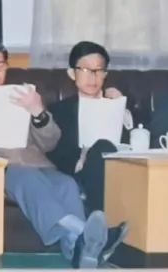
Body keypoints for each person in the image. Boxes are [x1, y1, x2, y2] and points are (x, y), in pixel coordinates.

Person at [0, 44, 126, 269]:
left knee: (67, 185)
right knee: (26, 179)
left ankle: (79, 250)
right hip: (1, 167)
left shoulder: (21, 95)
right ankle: (86, 233)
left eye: (1, 65)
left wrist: (38, 113)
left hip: (38, 164)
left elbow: (50, 141)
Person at [47, 41, 132, 214]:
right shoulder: (59, 110)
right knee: (101, 148)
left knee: (103, 147)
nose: (93, 77)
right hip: (79, 175)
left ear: (105, 74)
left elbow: (138, 143)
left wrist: (121, 110)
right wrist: (81, 159)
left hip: (119, 171)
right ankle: (100, 218)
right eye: (85, 70)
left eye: (98, 70)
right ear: (72, 73)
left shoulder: (118, 104)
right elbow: (55, 154)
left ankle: (99, 220)